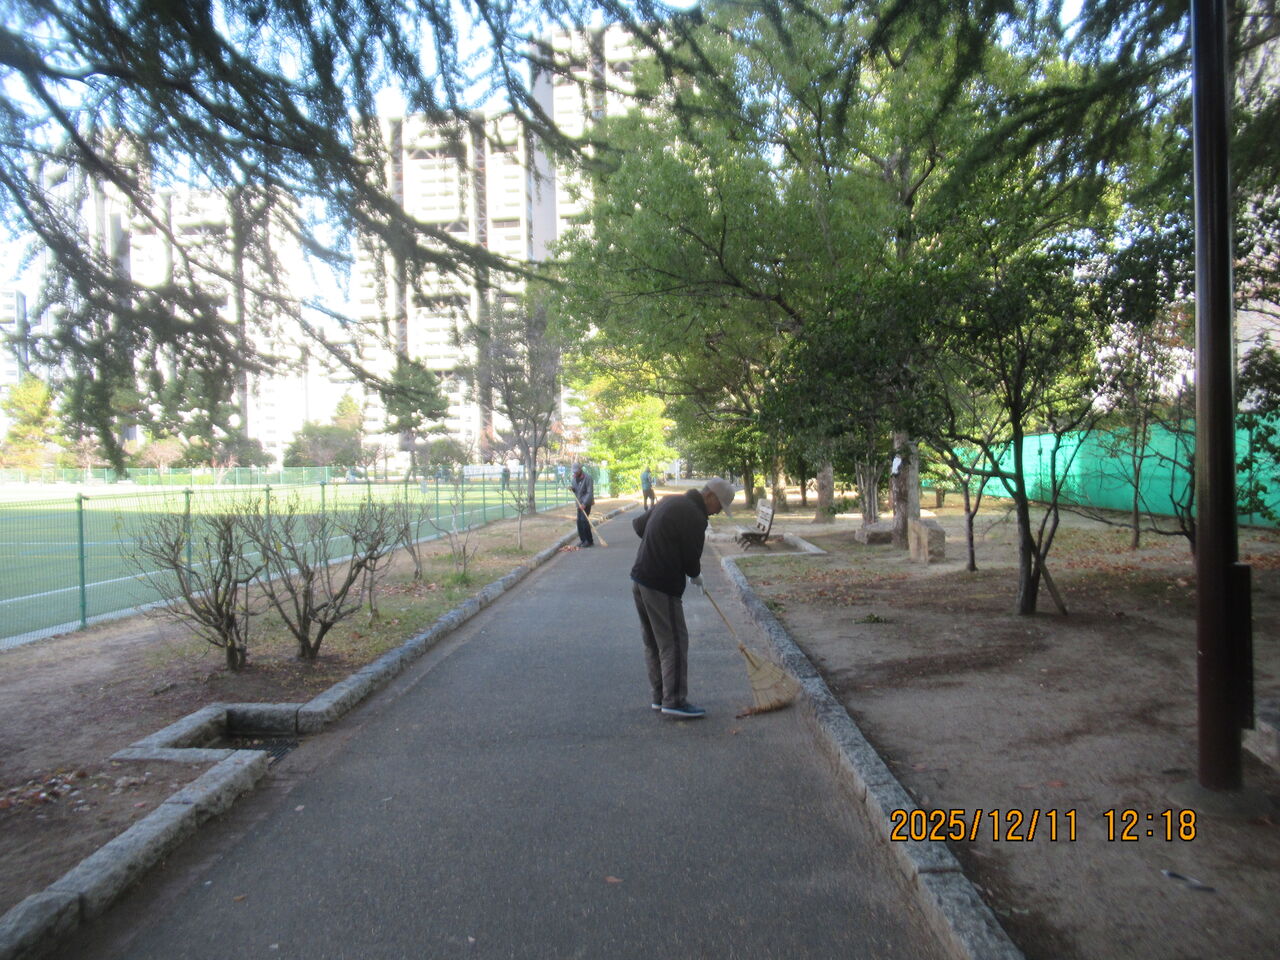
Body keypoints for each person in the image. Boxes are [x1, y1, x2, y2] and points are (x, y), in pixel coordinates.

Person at [630, 477, 735, 719]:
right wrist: (696, 575)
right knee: (674, 642)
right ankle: (674, 700)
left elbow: (639, 526)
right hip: (661, 585)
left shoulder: (670, 501)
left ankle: (660, 697)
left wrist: (660, 541)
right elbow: (690, 559)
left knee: (654, 642)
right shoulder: (695, 517)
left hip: (640, 579)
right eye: (719, 506)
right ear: (709, 496)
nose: (718, 512)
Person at [570, 463, 595, 548]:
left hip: (586, 503)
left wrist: (584, 503)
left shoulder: (588, 478)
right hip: (579, 503)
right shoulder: (574, 478)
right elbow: (576, 489)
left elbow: (589, 492)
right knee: (579, 522)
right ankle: (583, 540)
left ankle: (589, 540)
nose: (575, 473)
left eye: (576, 471)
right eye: (574, 472)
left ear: (580, 469)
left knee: (584, 520)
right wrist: (572, 489)